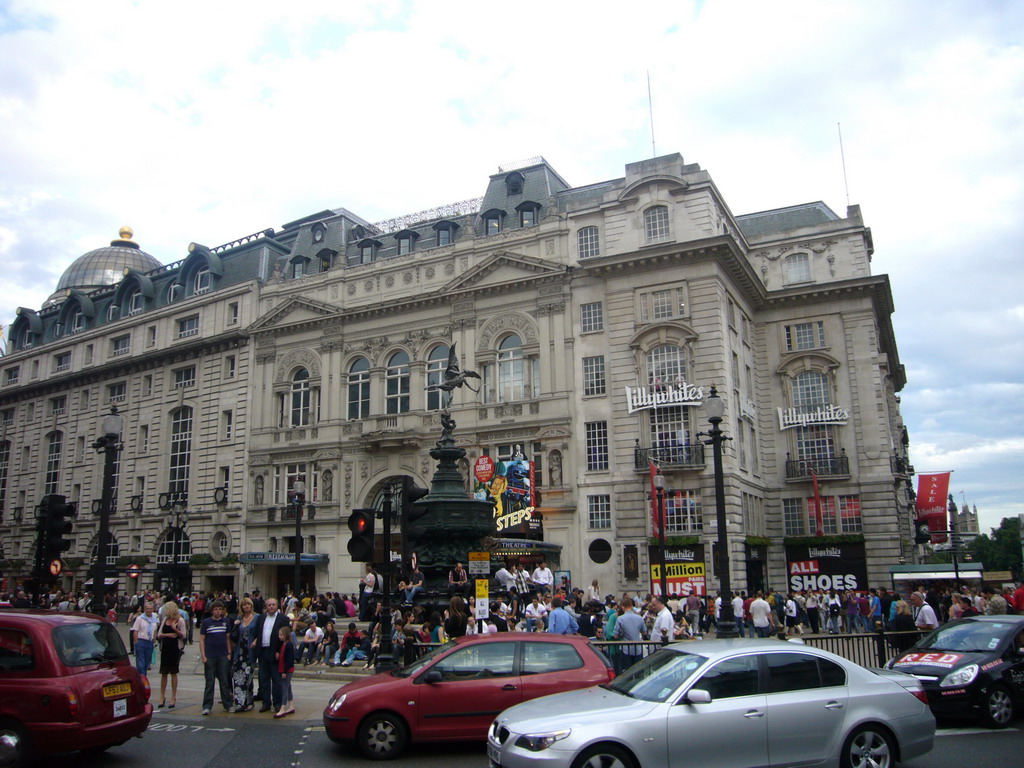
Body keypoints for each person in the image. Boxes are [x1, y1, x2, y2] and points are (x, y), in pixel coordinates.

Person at [252, 597, 291, 714]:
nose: (271, 607)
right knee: (264, 679)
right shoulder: (261, 618)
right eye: (269, 605)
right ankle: (266, 703)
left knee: (276, 679)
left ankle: (277, 704)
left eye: (273, 604)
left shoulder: (283, 619)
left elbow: (285, 636)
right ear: (266, 606)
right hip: (262, 651)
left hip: (274, 652)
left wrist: (279, 650)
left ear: (277, 605)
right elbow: (258, 632)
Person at [199, 600, 233, 716]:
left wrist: (229, 653)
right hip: (210, 655)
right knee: (210, 682)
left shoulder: (226, 621)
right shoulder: (206, 622)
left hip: (223, 654)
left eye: (219, 609)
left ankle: (227, 704)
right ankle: (207, 706)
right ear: (212, 611)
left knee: (224, 681)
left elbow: (228, 638)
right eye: (215, 609)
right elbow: (202, 639)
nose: (218, 611)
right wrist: (203, 655)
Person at [156, 601, 187, 709]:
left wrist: (175, 629)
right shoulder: (165, 619)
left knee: (173, 672)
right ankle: (162, 696)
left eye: (167, 609)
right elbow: (159, 634)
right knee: (163, 672)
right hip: (165, 648)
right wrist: (169, 634)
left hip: (175, 649)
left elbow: (183, 636)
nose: (165, 611)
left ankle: (173, 697)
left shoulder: (180, 620)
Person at [230, 597, 258, 712]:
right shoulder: (239, 618)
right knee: (238, 677)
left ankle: (249, 702)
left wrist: (256, 640)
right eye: (244, 605)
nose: (246, 607)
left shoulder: (257, 618)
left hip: (250, 651)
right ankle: (239, 703)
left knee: (248, 678)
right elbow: (233, 635)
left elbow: (260, 632)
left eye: (248, 604)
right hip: (239, 651)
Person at [613, 597, 646, 673]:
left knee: (627, 673)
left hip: (625, 649)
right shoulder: (639, 618)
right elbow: (644, 632)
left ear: (623, 607)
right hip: (638, 648)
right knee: (639, 672)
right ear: (631, 607)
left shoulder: (620, 619)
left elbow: (616, 635)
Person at [131, 601, 160, 679]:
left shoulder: (154, 619)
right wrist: (136, 642)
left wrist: (154, 640)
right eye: (147, 609)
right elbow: (135, 631)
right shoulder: (140, 618)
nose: (149, 610)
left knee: (147, 663)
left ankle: (142, 677)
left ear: (153, 609)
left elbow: (155, 630)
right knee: (141, 662)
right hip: (141, 641)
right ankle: (142, 678)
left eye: (150, 609)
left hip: (149, 642)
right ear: (144, 609)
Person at [274, 626, 295, 718]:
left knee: (285, 688)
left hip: (287, 670)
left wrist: (285, 672)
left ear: (285, 635)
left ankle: (283, 707)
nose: (280, 636)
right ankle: (291, 705)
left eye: (281, 634)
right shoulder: (284, 644)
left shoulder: (288, 644)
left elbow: (289, 659)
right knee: (288, 687)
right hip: (284, 668)